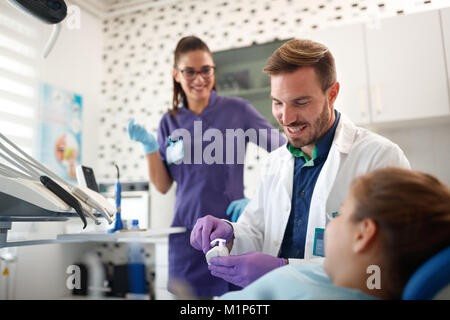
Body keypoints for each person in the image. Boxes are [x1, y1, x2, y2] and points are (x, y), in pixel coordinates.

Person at [190, 38, 411, 289]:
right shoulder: (275, 163)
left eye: (301, 102)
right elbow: (257, 232)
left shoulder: (380, 158)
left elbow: (385, 270)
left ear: (333, 94)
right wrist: (230, 234)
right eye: (277, 102)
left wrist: (286, 270)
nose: (287, 117)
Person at [127, 36, 286, 297]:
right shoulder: (170, 121)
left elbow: (284, 153)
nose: (199, 79)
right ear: (176, 75)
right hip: (185, 237)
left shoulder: (238, 111)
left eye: (206, 71)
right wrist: (149, 148)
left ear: (213, 71)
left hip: (230, 232)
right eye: (190, 71)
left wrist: (257, 202)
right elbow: (163, 185)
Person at [218, 168, 450, 299]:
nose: (331, 222)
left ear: (363, 234)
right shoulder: (362, 281)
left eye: (340, 213)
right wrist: (233, 232)